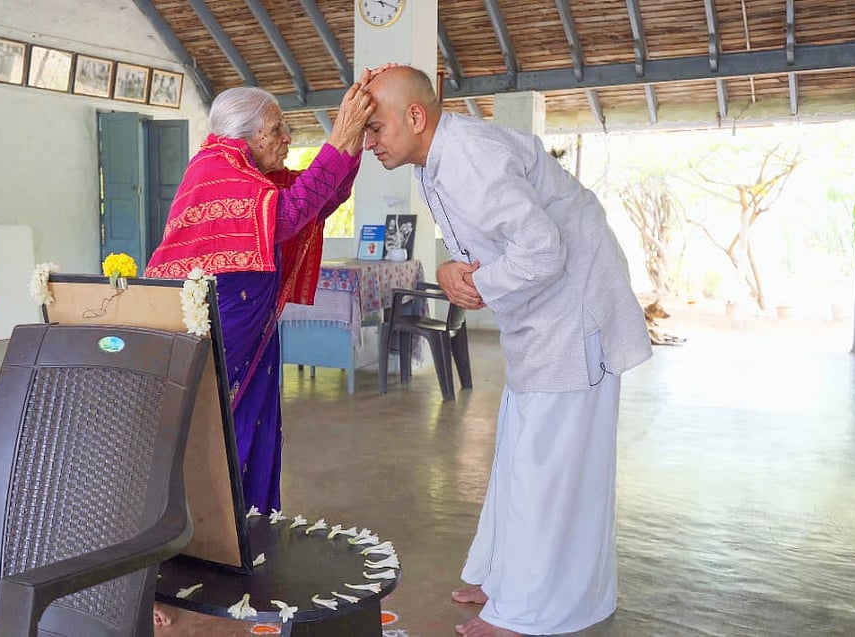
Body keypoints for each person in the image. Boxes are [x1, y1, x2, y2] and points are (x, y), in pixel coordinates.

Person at [362, 65, 652, 637]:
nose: (368, 143)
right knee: (523, 454)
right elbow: (483, 242)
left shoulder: (468, 157)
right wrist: (452, 269)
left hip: (574, 312)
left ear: (415, 116)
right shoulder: (436, 160)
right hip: (543, 316)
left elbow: (544, 250)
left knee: (552, 466)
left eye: (375, 129)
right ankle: (507, 581)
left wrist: (474, 285)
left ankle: (534, 611)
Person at [143, 68, 383, 627]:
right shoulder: (216, 171)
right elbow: (296, 210)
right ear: (245, 136)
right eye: (276, 130)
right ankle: (155, 575)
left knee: (247, 438)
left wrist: (349, 143)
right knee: (190, 448)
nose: (285, 139)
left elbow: (315, 198)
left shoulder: (248, 173)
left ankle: (236, 549)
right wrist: (339, 138)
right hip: (217, 339)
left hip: (251, 337)